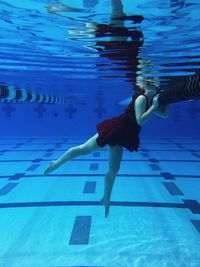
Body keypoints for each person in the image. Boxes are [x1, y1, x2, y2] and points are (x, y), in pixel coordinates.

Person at [44, 80, 169, 217]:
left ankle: (106, 198)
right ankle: (55, 163)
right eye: (151, 85)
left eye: (156, 86)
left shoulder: (152, 100)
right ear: (145, 87)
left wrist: (166, 100)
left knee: (114, 170)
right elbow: (140, 120)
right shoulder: (142, 99)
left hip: (124, 135)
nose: (154, 87)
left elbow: (165, 115)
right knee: (83, 150)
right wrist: (153, 107)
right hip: (116, 129)